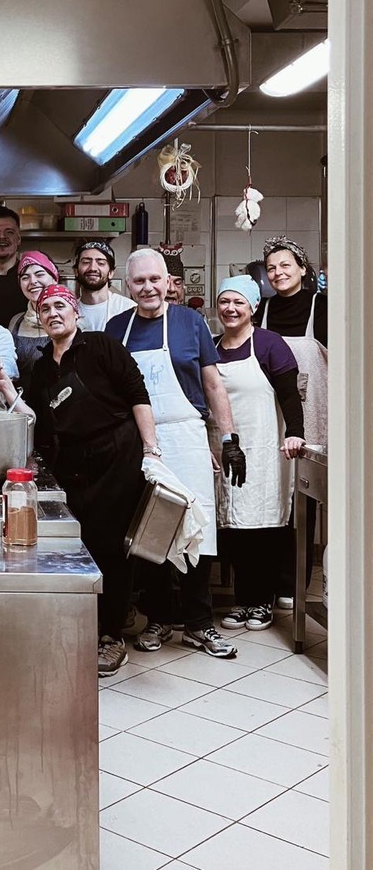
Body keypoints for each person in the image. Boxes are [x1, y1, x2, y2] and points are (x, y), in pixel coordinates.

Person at [0, 283, 156, 678]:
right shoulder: (43, 365)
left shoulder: (102, 346)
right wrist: (5, 387)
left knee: (113, 547)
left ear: (76, 312)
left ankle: (111, 637)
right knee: (83, 546)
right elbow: (39, 419)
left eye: (60, 306)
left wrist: (151, 450)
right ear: (39, 320)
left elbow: (138, 396)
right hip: (75, 463)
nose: (52, 314)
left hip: (117, 454)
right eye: (45, 310)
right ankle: (87, 628)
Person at [107, 247, 246, 659]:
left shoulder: (191, 323)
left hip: (186, 435)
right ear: (127, 286)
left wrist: (229, 439)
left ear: (169, 282)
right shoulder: (117, 329)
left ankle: (199, 624)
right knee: (152, 533)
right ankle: (158, 620)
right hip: (139, 443)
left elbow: (213, 386)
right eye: (139, 281)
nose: (148, 287)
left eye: (155, 280)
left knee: (197, 530)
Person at [209, 276, 305, 631]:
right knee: (231, 525)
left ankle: (260, 602)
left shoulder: (270, 344)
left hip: (264, 448)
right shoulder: (212, 346)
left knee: (261, 525)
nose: (230, 309)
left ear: (253, 308)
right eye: (224, 302)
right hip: (224, 448)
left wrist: (295, 433)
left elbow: (289, 396)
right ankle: (242, 600)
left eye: (239, 303)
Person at [258, 235, 328, 608]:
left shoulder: (322, 305)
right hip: (272, 413)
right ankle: (267, 581)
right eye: (271, 268)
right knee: (274, 494)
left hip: (313, 414)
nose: (278, 272)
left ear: (302, 269)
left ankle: (294, 582)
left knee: (304, 496)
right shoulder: (264, 310)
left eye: (285, 265)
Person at [7, 250, 58, 389]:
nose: (33, 282)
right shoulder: (16, 322)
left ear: (54, 278)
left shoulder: (73, 320)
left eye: (40, 274)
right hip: (19, 404)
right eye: (25, 277)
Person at [72, 240, 135, 330]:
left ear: (111, 273)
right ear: (76, 271)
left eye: (101, 263)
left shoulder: (127, 309)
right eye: (86, 262)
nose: (93, 268)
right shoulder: (69, 312)